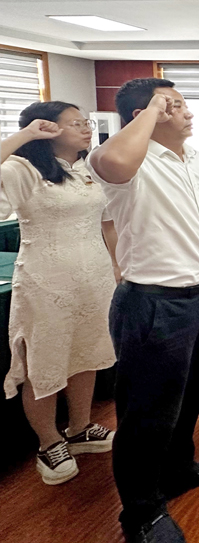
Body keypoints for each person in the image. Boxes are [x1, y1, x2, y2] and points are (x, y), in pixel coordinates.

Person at [88, 77, 199, 543]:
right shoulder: (124, 160)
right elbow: (112, 161)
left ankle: (177, 469)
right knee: (148, 414)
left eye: (185, 104)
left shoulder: (193, 159)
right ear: (143, 114)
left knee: (195, 392)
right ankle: (142, 513)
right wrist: (153, 109)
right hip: (155, 303)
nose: (188, 113)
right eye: (176, 105)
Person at [1, 102, 117, 486]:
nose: (87, 128)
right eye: (76, 123)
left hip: (94, 278)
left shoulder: (86, 168)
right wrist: (24, 135)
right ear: (46, 129)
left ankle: (80, 429)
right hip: (46, 282)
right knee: (44, 364)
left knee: (86, 354)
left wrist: (118, 267)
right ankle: (48, 441)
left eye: (87, 122)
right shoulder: (23, 169)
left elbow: (107, 223)